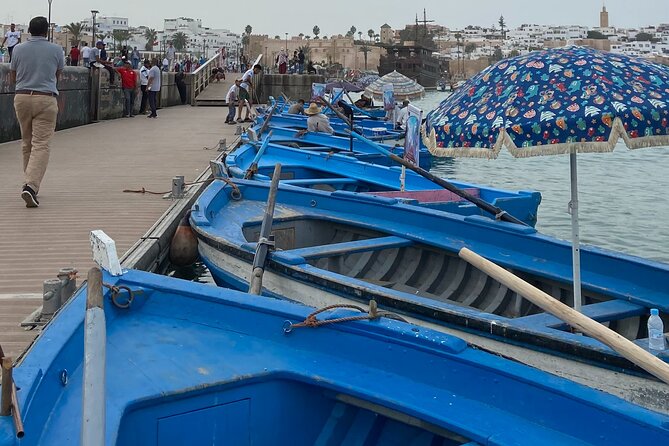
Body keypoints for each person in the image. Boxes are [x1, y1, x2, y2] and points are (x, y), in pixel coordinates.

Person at [10, 16, 64, 208]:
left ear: (30, 30)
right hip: (45, 98)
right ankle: (31, 187)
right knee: (41, 144)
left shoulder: (17, 49)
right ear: (46, 31)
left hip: (22, 97)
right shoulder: (56, 50)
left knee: (27, 142)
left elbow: (13, 75)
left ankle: (29, 183)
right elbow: (57, 76)